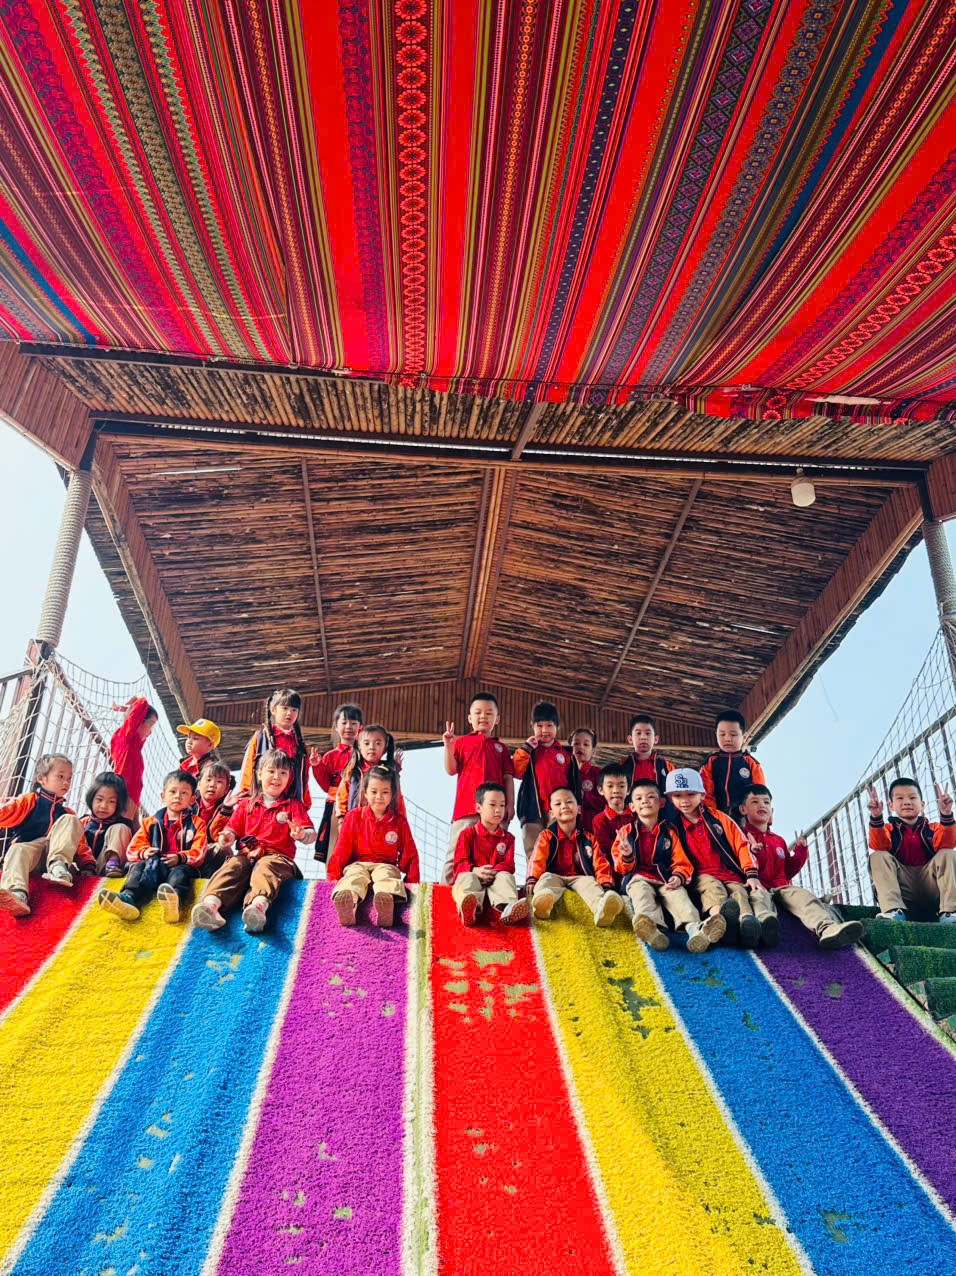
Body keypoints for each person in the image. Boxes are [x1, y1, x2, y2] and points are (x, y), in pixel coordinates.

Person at [192, 750, 314, 934]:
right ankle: (211, 905)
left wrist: (302, 835)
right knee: (233, 865)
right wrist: (226, 837)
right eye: (271, 771)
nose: (276, 777)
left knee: (266, 867)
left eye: (283, 773)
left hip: (277, 857)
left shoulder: (293, 806)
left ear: (289, 778)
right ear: (259, 774)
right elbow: (232, 831)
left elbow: (311, 834)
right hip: (246, 855)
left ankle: (258, 906)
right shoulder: (245, 805)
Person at [610, 779, 727, 953]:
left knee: (680, 897)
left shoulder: (669, 832)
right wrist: (626, 855)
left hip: (665, 878)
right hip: (638, 877)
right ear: (632, 806)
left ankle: (695, 930)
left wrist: (678, 876)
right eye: (639, 798)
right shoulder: (625, 832)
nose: (645, 801)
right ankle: (651, 930)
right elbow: (621, 868)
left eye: (651, 797)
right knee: (641, 895)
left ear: (661, 802)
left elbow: (681, 861)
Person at [740, 784, 862, 948]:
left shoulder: (778, 840)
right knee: (759, 898)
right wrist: (753, 852)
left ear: (772, 811)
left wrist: (800, 851)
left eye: (766, 802)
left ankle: (827, 929)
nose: (762, 805)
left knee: (803, 896)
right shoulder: (740, 836)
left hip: (781, 886)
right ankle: (766, 927)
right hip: (758, 886)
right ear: (743, 809)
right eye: (755, 802)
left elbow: (788, 870)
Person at [663, 767, 766, 948]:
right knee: (712, 888)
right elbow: (678, 856)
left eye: (690, 794)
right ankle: (720, 920)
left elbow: (741, 844)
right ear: (671, 798)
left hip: (729, 873)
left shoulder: (719, 818)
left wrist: (751, 873)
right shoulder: (673, 827)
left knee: (739, 891)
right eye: (678, 796)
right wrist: (680, 875)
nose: (684, 801)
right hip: (700, 875)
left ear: (702, 795)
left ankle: (746, 923)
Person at [98, 768, 207, 924]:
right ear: (163, 796)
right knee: (139, 867)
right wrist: (144, 852)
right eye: (173, 792)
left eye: (184, 793)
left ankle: (173, 902)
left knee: (180, 873)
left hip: (180, 865)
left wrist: (180, 857)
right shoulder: (150, 822)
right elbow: (133, 848)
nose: (177, 796)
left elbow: (200, 851)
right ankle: (129, 899)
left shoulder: (197, 823)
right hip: (154, 866)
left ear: (192, 800)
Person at [328, 765, 419, 927]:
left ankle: (385, 902)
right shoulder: (354, 816)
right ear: (365, 793)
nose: (379, 797)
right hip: (358, 863)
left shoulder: (398, 822)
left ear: (392, 795)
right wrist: (333, 876)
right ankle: (349, 901)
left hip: (385, 864)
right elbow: (342, 848)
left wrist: (413, 881)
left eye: (385, 792)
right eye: (374, 792)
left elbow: (409, 852)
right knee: (354, 876)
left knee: (387, 876)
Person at [441, 693, 514, 884]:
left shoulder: (502, 748)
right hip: (466, 809)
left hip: (496, 810)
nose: (483, 716)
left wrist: (510, 805)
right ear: (469, 718)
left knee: (496, 854)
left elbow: (508, 778)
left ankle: (493, 896)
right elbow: (451, 770)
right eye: (478, 712)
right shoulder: (462, 742)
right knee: (455, 852)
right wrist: (448, 747)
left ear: (497, 719)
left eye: (489, 713)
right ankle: (444, 892)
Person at [525, 787, 622, 926]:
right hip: (554, 875)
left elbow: (600, 863)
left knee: (590, 883)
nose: (564, 806)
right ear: (552, 813)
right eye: (558, 804)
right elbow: (537, 860)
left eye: (569, 802)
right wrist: (532, 879)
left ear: (579, 809)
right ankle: (542, 906)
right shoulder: (546, 836)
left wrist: (606, 884)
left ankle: (601, 911)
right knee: (546, 880)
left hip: (579, 877)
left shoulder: (589, 838)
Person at [0, 753, 82, 916]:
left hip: (54, 857)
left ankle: (58, 866)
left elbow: (81, 846)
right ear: (41, 778)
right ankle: (17, 894)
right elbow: (5, 814)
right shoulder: (29, 801)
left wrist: (88, 866)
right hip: (31, 858)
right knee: (18, 849)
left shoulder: (67, 813)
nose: (66, 782)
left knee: (71, 820)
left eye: (69, 778)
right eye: (60, 776)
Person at [867, 777, 956, 922]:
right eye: (900, 798)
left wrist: (946, 815)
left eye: (912, 797)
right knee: (877, 855)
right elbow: (878, 844)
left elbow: (948, 842)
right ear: (891, 805)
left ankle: (950, 913)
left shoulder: (932, 828)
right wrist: (876, 817)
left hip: (932, 889)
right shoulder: (888, 829)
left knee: (947, 853)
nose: (907, 802)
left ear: (922, 804)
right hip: (903, 892)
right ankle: (893, 910)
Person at [451, 782, 527, 926]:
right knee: (466, 878)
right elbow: (459, 863)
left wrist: (494, 871)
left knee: (506, 877)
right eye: (492, 805)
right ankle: (469, 907)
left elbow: (509, 865)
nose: (498, 810)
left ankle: (508, 908)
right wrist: (475, 870)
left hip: (496, 877)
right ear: (478, 807)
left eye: (502, 805)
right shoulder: (467, 834)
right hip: (474, 875)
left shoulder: (508, 838)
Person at [513, 702, 580, 857]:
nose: (544, 730)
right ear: (532, 726)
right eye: (540, 726)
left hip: (559, 810)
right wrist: (526, 749)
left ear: (557, 726)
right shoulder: (529, 751)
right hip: (532, 810)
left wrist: (578, 804)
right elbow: (516, 772)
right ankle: (534, 879)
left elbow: (574, 783)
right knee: (534, 848)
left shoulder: (566, 754)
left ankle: (557, 878)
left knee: (559, 847)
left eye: (549, 725)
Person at [309, 702, 364, 861]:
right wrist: (317, 766)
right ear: (336, 727)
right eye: (344, 723)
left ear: (360, 728)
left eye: (353, 723)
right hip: (334, 804)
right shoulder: (331, 756)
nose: (349, 727)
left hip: (358, 805)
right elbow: (326, 785)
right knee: (333, 844)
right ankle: (331, 877)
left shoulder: (364, 755)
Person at [239, 687, 311, 807]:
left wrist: (304, 802)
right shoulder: (260, 738)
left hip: (289, 802)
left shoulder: (300, 745)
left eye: (294, 710)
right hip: (261, 801)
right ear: (273, 710)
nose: (289, 713)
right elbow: (248, 769)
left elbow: (304, 776)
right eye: (285, 708)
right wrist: (245, 798)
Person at [700, 710, 765, 820]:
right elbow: (706, 794)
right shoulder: (710, 762)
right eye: (722, 734)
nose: (727, 739)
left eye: (733, 734)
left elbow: (761, 794)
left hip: (745, 819)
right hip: (718, 819)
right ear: (716, 735)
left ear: (744, 737)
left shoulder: (751, 763)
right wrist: (713, 817)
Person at [335, 724, 405, 818]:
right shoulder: (353, 771)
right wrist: (341, 820)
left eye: (378, 743)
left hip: (382, 824)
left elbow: (398, 800)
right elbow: (342, 797)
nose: (371, 747)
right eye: (367, 743)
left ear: (385, 748)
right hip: (356, 823)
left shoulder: (389, 774)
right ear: (359, 747)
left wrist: (402, 824)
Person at [110, 695, 158, 818]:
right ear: (139, 720)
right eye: (151, 724)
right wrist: (131, 703)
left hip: (133, 799)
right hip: (123, 796)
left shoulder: (135, 745)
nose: (151, 731)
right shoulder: (127, 738)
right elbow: (142, 700)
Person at [79, 771, 134, 878]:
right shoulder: (84, 822)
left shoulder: (124, 824)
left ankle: (113, 864)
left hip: (107, 868)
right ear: (91, 798)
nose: (104, 806)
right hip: (82, 867)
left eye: (111, 802)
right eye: (99, 799)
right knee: (73, 826)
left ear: (119, 804)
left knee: (120, 828)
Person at [194, 759, 235, 872]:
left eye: (219, 781)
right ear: (199, 784)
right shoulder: (188, 805)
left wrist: (226, 809)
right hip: (188, 850)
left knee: (224, 850)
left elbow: (217, 838)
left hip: (210, 851)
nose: (212, 785)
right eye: (208, 780)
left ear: (226, 789)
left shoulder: (228, 810)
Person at [619, 714, 674, 789]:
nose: (643, 737)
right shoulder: (622, 765)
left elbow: (675, 792)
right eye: (638, 733)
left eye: (648, 733)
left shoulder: (666, 766)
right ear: (630, 739)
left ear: (656, 739)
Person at [590, 763, 632, 860]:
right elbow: (603, 848)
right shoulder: (599, 820)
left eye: (621, 786)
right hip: (612, 864)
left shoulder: (636, 814)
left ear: (628, 789)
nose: (616, 790)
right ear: (600, 790)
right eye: (610, 786)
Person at [570, 727, 603, 832]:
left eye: (586, 744)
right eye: (576, 743)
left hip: (592, 828)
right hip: (569, 829)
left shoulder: (599, 773)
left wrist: (585, 797)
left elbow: (606, 802)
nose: (580, 747)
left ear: (593, 752)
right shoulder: (563, 774)